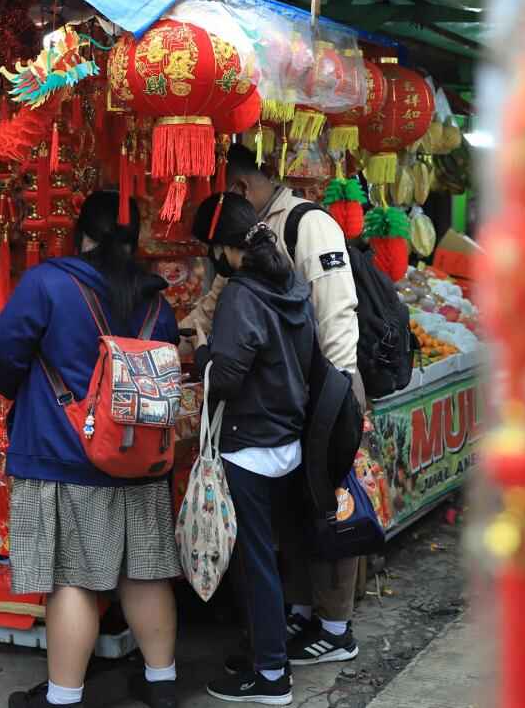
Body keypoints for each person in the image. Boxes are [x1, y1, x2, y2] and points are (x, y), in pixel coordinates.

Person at [0, 191, 181, 708]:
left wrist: (25, 394)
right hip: (140, 458)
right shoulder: (156, 300)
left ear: (84, 235)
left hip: (61, 450)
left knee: (71, 577)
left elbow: (3, 350)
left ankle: (63, 698)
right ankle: (162, 684)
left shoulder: (48, 283)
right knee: (145, 568)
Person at [184, 144, 364, 668]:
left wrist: (337, 396)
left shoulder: (309, 225)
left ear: (240, 189)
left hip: (322, 390)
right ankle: (302, 612)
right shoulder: (255, 250)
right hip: (288, 398)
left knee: (328, 505)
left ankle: (333, 626)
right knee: (297, 517)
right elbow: (218, 303)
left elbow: (336, 311)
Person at [190, 193, 317, 706]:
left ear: (223, 248)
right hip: (286, 440)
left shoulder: (242, 295)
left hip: (249, 446)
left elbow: (224, 379)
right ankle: (268, 653)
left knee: (255, 563)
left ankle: (271, 677)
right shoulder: (288, 283)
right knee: (272, 557)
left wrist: (201, 351)